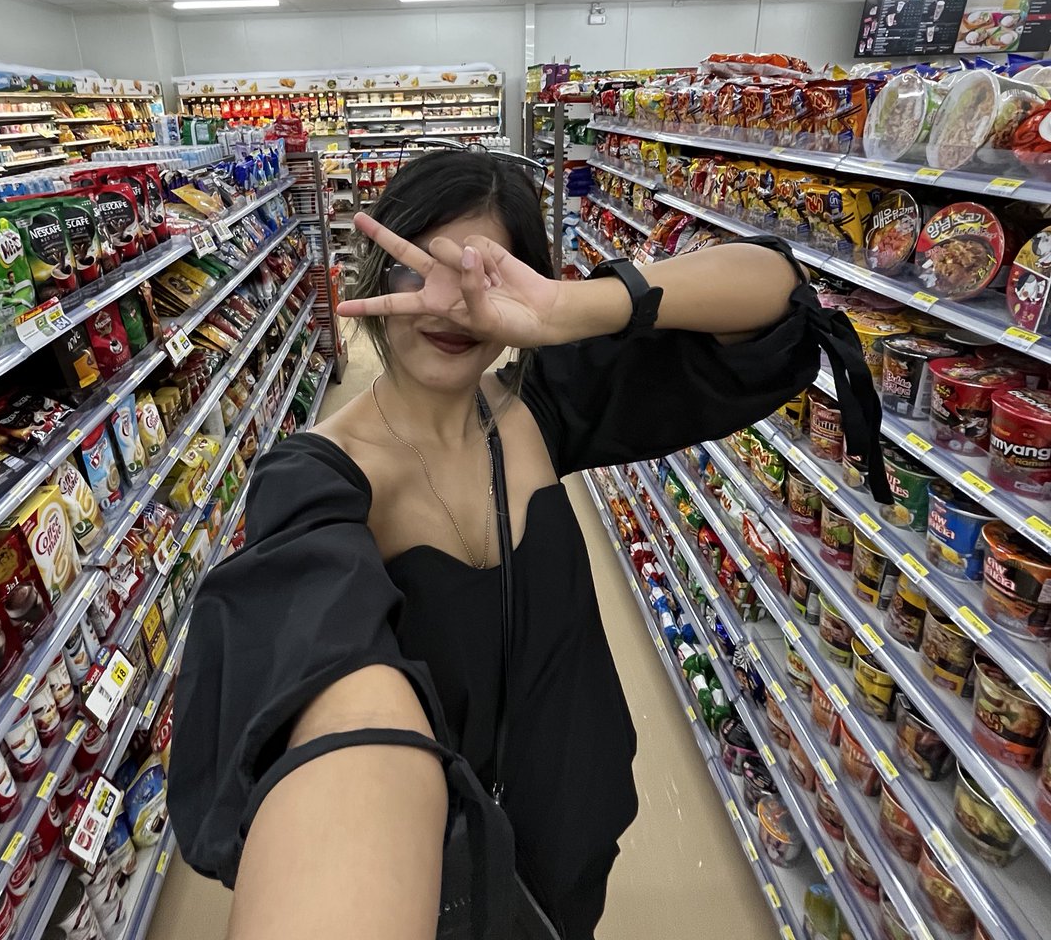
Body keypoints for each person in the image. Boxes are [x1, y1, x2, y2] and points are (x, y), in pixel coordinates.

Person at [168, 150, 887, 940]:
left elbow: (777, 292)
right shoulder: (315, 480)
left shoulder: (536, 408)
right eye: (420, 266)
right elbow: (335, 686)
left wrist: (572, 309)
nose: (450, 304)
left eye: (484, 272)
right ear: (375, 268)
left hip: (569, 863)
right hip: (440, 894)